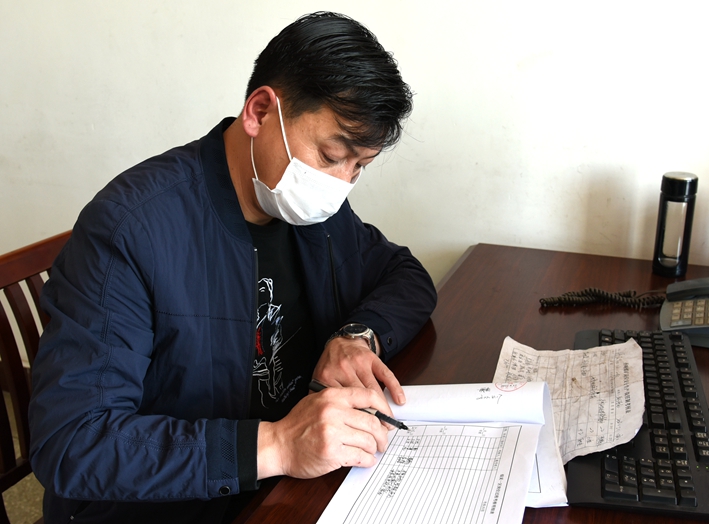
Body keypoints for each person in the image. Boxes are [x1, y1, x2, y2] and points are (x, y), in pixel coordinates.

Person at [28, 11, 436, 524]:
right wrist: (278, 444)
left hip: (287, 488)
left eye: (359, 167)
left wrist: (357, 336)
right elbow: (73, 441)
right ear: (260, 112)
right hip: (171, 506)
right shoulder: (130, 230)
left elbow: (405, 275)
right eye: (332, 155)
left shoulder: (312, 210)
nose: (340, 184)